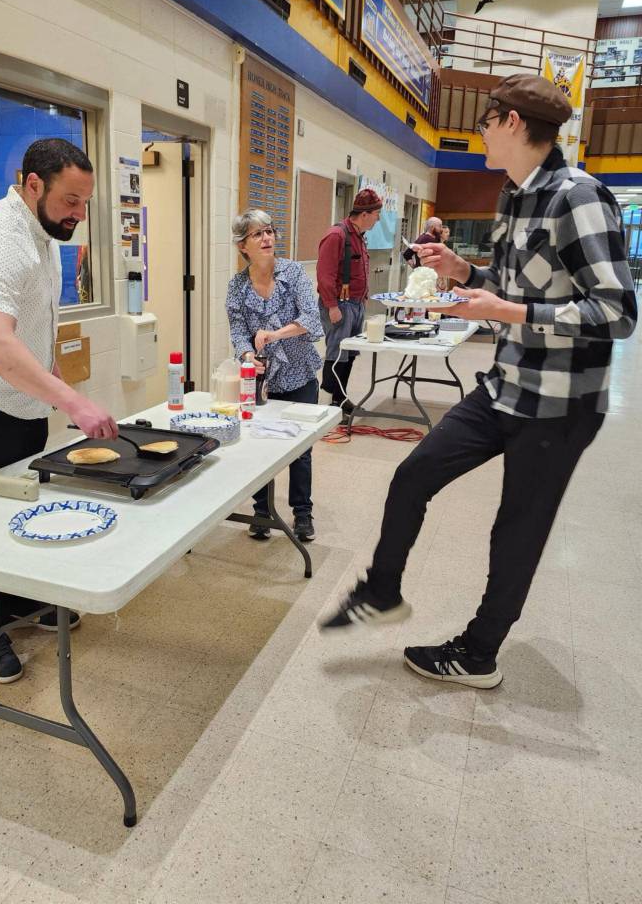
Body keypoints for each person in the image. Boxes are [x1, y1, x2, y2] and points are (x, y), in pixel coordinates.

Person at [320, 74, 637, 688]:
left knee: (516, 526)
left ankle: (479, 652)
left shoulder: (581, 196)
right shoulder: (513, 195)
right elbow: (518, 283)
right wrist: (464, 270)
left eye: (486, 123)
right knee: (413, 476)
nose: (481, 135)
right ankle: (383, 589)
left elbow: (617, 312)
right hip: (505, 384)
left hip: (559, 403)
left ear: (512, 122)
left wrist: (507, 313)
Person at [0, 138, 118, 683]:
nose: (78, 215)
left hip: (22, 397)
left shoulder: (43, 236)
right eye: (70, 201)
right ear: (32, 184)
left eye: (85, 203)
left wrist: (55, 382)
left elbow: (34, 328)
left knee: (26, 504)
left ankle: (20, 604)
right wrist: (75, 401)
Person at [226, 209, 323, 542]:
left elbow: (311, 318)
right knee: (259, 445)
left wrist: (274, 334)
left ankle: (302, 514)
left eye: (269, 231)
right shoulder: (237, 286)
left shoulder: (293, 273)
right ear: (243, 246)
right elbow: (238, 331)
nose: (267, 238)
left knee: (300, 448)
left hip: (300, 374)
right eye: (257, 234)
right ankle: (262, 511)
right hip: (262, 380)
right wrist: (248, 355)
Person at [317, 188, 382, 410]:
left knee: (350, 353)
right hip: (339, 305)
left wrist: (362, 299)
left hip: (356, 304)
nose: (378, 219)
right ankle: (326, 405)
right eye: (376, 214)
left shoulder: (360, 237)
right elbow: (325, 275)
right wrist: (332, 306)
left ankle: (340, 399)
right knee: (337, 353)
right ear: (365, 214)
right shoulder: (337, 235)